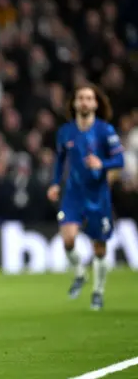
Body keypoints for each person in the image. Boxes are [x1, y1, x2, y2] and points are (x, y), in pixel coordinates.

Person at [47, 84, 124, 311]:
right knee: (68, 240)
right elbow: (60, 160)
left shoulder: (105, 131)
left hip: (98, 196)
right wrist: (54, 184)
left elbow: (119, 161)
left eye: (89, 98)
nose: (84, 102)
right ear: (74, 103)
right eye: (80, 98)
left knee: (99, 248)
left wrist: (103, 164)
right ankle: (80, 273)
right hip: (73, 193)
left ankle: (98, 291)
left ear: (95, 104)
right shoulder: (65, 132)